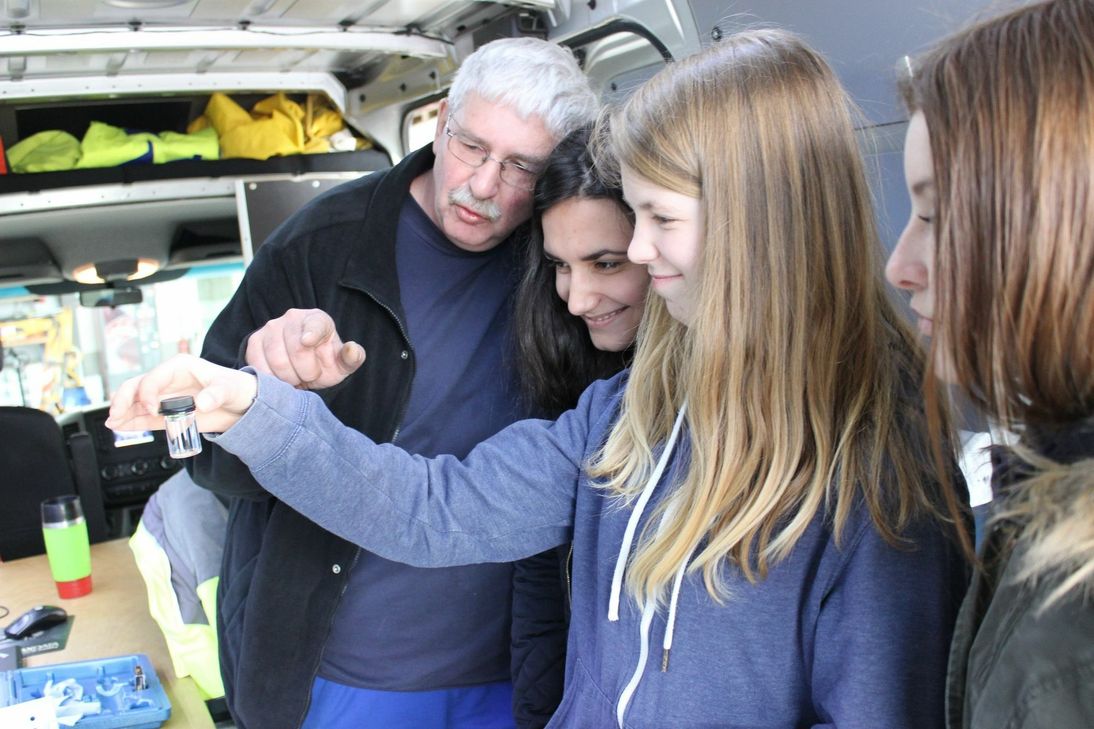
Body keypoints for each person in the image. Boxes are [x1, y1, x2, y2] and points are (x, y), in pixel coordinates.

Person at [110, 29, 970, 728]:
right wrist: (256, 407)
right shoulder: (631, 410)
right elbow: (434, 507)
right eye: (469, 146)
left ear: (758, 223)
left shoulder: (882, 465)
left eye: (658, 220)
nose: (629, 258)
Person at [184, 37, 597, 729]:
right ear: (439, 122)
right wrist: (277, 395)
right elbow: (204, 455)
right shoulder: (318, 245)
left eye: (520, 167)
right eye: (471, 147)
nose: (484, 186)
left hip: (516, 674)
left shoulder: (566, 270)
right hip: (340, 680)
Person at [885, 1, 1094, 727]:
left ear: (1063, 221)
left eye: (937, 217)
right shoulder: (1044, 496)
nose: (900, 264)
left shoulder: (1072, 631)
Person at [508, 125, 647, 729]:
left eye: (606, 263)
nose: (578, 298)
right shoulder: (570, 379)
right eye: (561, 266)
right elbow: (542, 586)